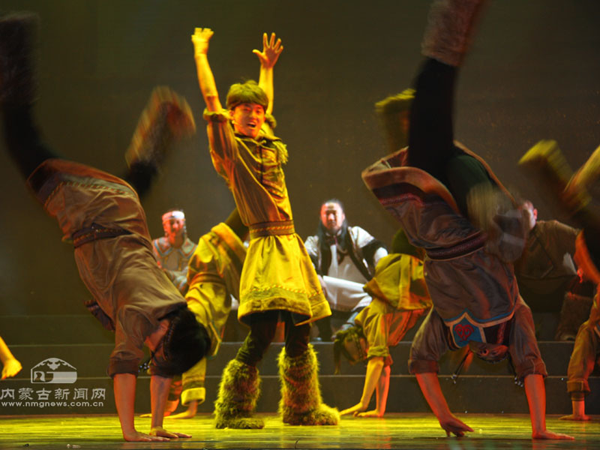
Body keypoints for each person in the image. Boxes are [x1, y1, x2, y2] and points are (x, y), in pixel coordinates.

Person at [361, 0, 572, 440]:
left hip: (433, 219)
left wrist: (443, 415)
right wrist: (540, 428)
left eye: (487, 356)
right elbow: (533, 367)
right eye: (499, 355)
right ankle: (507, 220)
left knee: (432, 91)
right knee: (489, 208)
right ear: (505, 350)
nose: (492, 353)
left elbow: (421, 363)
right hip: (475, 226)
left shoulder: (449, 332)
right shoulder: (516, 318)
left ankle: (454, 18)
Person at [0, 14, 210, 442]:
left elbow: (162, 367)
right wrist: (131, 433)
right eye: (158, 350)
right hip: (90, 211)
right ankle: (12, 43)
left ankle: (162, 128)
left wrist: (158, 425)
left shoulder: (173, 306)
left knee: (134, 183)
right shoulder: (139, 317)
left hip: (124, 211)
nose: (154, 356)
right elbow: (125, 371)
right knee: (23, 140)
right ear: (165, 332)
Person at [191, 29, 337, 428]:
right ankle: (233, 410)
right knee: (260, 335)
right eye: (245, 110)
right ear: (232, 114)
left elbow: (266, 104)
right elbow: (210, 100)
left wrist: (267, 68)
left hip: (289, 245)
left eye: (256, 110)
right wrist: (201, 53)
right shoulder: (229, 150)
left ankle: (301, 408)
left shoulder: (266, 140)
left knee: (301, 331)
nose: (254, 115)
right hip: (266, 247)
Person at [519, 141, 600, 422]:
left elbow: (581, 235)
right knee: (580, 212)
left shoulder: (552, 230)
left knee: (580, 212)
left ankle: (550, 170)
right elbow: (583, 237)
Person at [334, 230, 431, 418]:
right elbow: (383, 367)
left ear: (359, 340)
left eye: (363, 355)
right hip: (413, 258)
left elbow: (377, 362)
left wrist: (363, 403)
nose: (367, 357)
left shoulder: (373, 319)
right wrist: (379, 409)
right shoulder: (373, 321)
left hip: (410, 260)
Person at [305, 199, 388, 341]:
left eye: (334, 213)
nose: (331, 218)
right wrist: (315, 276)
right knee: (310, 289)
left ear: (343, 216)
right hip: (328, 292)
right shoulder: (314, 242)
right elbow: (305, 261)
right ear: (321, 217)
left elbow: (375, 248)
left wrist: (384, 267)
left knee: (374, 297)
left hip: (358, 292)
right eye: (327, 214)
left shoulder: (355, 234)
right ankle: (324, 334)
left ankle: (348, 327)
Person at [514, 201, 594, 341]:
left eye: (524, 215)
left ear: (535, 214)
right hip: (528, 295)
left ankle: (568, 331)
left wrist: (585, 267)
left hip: (561, 291)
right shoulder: (509, 242)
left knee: (584, 283)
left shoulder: (552, 230)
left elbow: (582, 241)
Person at [152, 209, 197, 295]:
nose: (175, 226)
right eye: (171, 223)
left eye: (178, 222)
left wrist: (168, 273)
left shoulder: (193, 250)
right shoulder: (155, 246)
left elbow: (189, 275)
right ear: (165, 226)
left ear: (183, 224)